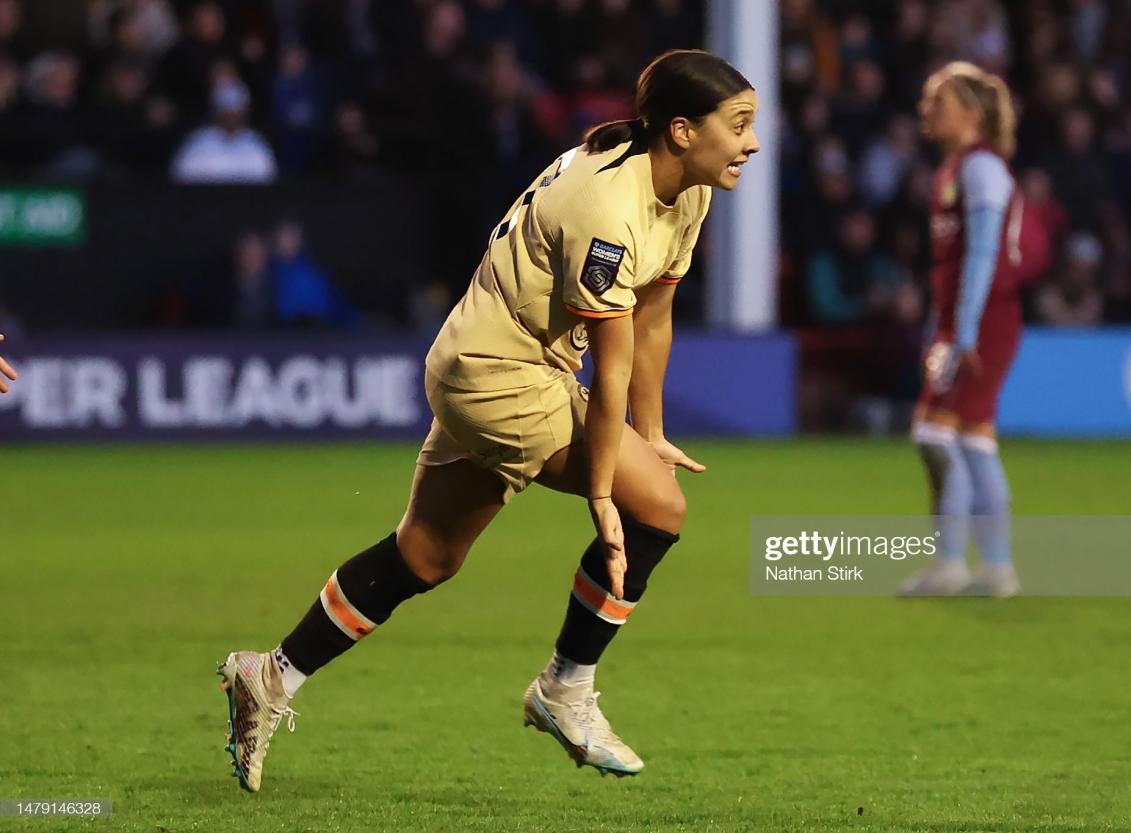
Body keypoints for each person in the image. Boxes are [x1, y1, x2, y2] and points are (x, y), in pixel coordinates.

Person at [217, 49, 760, 791]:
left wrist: (652, 430)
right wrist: (606, 487)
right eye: (739, 125)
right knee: (659, 507)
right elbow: (614, 363)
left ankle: (269, 674)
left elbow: (655, 314)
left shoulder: (686, 187)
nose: (752, 142)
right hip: (496, 376)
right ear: (681, 130)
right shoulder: (610, 208)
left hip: (495, 362)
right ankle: (565, 688)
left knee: (427, 555)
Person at [899, 61, 1024, 598]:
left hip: (982, 320)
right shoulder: (955, 170)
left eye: (938, 101)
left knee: (934, 433)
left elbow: (983, 251)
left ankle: (957, 563)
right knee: (971, 440)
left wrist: (964, 330)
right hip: (966, 320)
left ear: (971, 113)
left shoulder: (981, 169)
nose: (927, 110)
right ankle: (993, 568)